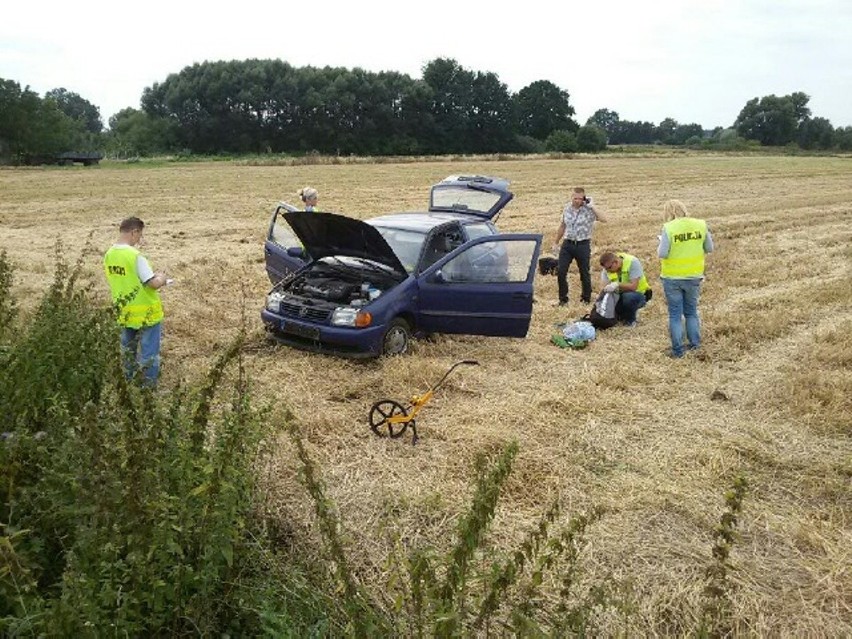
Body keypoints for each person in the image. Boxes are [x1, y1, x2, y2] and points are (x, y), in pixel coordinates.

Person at [103, 217, 168, 386]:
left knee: (127, 352)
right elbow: (152, 283)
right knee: (149, 354)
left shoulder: (109, 255)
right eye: (140, 235)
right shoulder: (135, 256)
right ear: (134, 232)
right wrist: (162, 277)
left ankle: (128, 385)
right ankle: (147, 390)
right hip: (146, 313)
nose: (140, 240)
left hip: (124, 311)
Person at [658, 199, 714, 358]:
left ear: (668, 212)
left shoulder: (668, 228)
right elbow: (709, 248)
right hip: (694, 276)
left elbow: (662, 253)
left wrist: (661, 242)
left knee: (675, 315)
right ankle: (695, 345)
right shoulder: (701, 224)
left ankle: (677, 351)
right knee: (691, 312)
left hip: (672, 277)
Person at [552, 187, 606, 306]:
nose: (577, 201)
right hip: (568, 244)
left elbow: (604, 219)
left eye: (580, 199)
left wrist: (592, 206)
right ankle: (563, 300)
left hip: (583, 245)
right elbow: (562, 226)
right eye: (575, 198)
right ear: (571, 197)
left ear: (584, 198)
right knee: (561, 271)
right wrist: (556, 242)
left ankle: (586, 298)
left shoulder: (589, 209)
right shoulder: (567, 208)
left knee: (584, 272)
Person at [599, 251, 651, 327]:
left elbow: (633, 287)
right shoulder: (607, 269)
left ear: (616, 262)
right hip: (619, 295)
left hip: (639, 294)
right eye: (606, 269)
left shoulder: (633, 262)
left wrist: (617, 284)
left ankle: (630, 321)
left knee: (628, 297)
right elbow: (604, 288)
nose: (608, 271)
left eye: (609, 268)